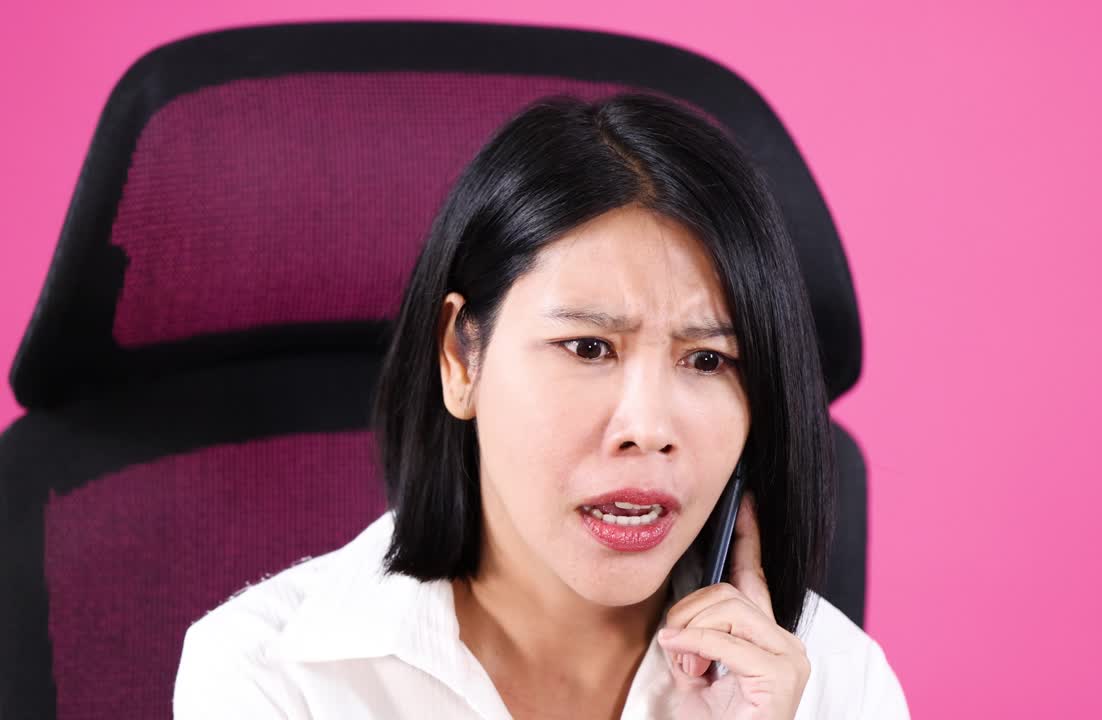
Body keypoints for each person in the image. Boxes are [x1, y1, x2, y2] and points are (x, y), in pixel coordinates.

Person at [173, 91, 910, 719]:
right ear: (461, 358)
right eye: (589, 347)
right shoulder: (270, 678)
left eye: (708, 360)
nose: (648, 429)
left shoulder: (835, 687)